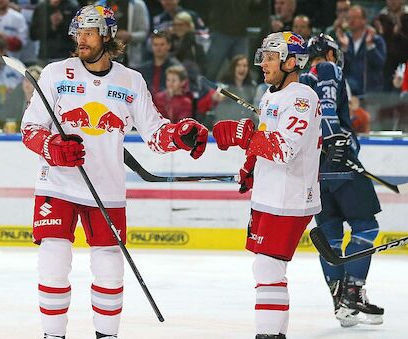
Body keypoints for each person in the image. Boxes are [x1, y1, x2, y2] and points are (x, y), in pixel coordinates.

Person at [20, 5, 208, 339]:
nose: (82, 39)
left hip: (106, 189)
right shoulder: (54, 73)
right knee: (54, 258)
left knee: (109, 267)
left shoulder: (131, 81)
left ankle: (106, 335)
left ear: (107, 35)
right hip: (57, 184)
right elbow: (30, 128)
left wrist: (179, 135)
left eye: (89, 32)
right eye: (78, 32)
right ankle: (53, 335)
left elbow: (155, 134)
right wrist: (53, 148)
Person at [212, 32, 321, 339]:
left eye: (272, 57)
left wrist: (240, 135)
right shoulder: (270, 96)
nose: (264, 63)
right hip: (269, 194)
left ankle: (268, 335)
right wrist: (250, 167)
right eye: (265, 56)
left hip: (291, 196)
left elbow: (285, 149)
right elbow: (264, 138)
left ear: (291, 61)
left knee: (269, 268)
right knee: (265, 269)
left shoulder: (302, 97)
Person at [299, 33, 384, 327]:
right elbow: (327, 108)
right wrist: (336, 142)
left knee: (332, 234)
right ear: (330, 53)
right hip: (339, 163)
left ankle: (340, 299)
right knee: (366, 226)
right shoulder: (327, 69)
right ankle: (352, 292)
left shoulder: (299, 82)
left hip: (314, 170)